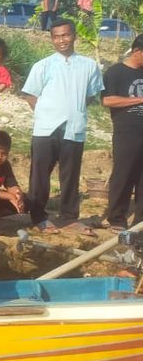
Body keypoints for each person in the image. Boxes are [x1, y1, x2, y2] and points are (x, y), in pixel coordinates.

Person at [22, 19, 103, 234]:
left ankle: (69, 217)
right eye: (56, 36)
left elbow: (90, 96)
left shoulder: (89, 66)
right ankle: (38, 216)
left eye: (65, 35)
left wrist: (72, 111)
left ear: (74, 35)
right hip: (45, 129)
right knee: (39, 175)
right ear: (51, 39)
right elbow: (30, 95)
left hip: (74, 128)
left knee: (70, 175)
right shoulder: (43, 65)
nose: (61, 40)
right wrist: (45, 114)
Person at [101, 34, 143, 229]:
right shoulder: (116, 72)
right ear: (137, 52)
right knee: (123, 175)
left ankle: (139, 222)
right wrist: (139, 100)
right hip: (127, 133)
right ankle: (117, 218)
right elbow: (107, 100)